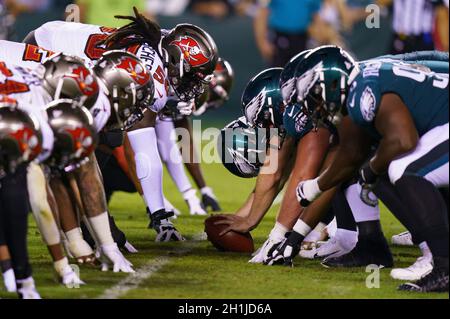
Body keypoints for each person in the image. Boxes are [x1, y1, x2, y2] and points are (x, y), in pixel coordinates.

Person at [23, 8, 219, 241]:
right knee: (83, 138)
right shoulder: (148, 70)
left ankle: (84, 219)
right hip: (44, 53)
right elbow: (144, 150)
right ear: (176, 62)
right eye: (192, 76)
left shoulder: (163, 46)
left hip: (58, 49)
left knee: (107, 133)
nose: (193, 86)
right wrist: (160, 218)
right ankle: (78, 221)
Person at [294, 47, 448, 292]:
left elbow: (402, 140)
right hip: (441, 122)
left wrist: (372, 168)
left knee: (403, 168)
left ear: (331, 84)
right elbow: (353, 153)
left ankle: (442, 263)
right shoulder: (363, 79)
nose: (317, 108)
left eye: (316, 97)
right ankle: (386, 247)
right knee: (385, 165)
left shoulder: (362, 89)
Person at [254, 0, 321, 67]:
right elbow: (262, 14)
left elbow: (317, 16)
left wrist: (317, 40)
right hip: (280, 36)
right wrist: (262, 42)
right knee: (279, 71)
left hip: (302, 38)